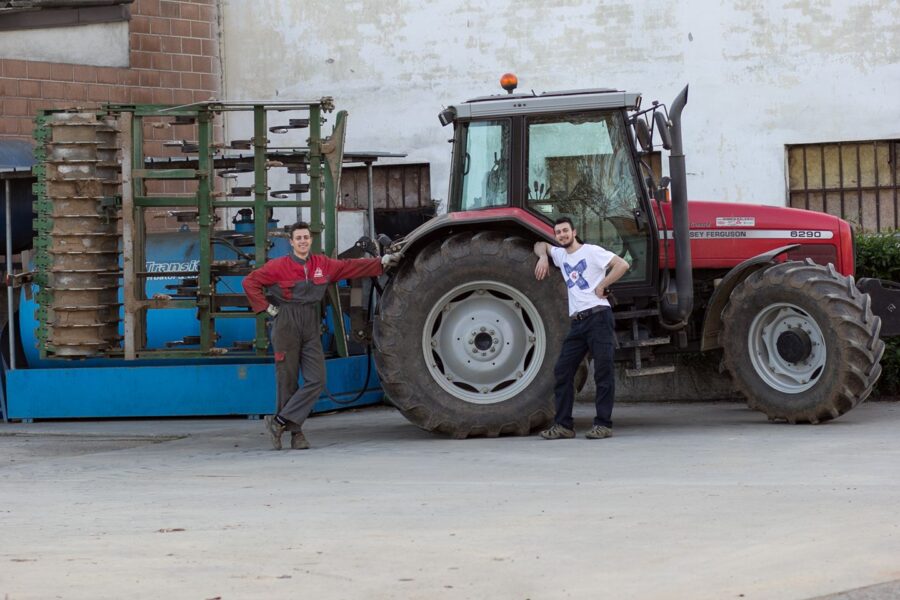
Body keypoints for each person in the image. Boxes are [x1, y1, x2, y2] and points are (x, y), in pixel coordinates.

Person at [242, 222, 398, 450]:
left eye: (306, 237)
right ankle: (295, 434)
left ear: (310, 240)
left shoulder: (322, 264)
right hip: (286, 321)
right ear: (291, 242)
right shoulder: (278, 266)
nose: (303, 241)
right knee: (287, 379)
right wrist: (267, 309)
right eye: (298, 238)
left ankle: (278, 421)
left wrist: (380, 263)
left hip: (310, 321)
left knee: (317, 380)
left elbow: (350, 267)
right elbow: (250, 282)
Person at [533, 217, 630, 440]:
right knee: (562, 371)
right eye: (558, 233)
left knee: (603, 373)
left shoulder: (591, 251)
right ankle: (564, 425)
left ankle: (603, 424)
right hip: (578, 323)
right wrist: (543, 257)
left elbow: (622, 264)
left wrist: (603, 285)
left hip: (598, 317)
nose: (562, 235)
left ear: (574, 232)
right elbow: (540, 244)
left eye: (565, 231)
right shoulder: (559, 254)